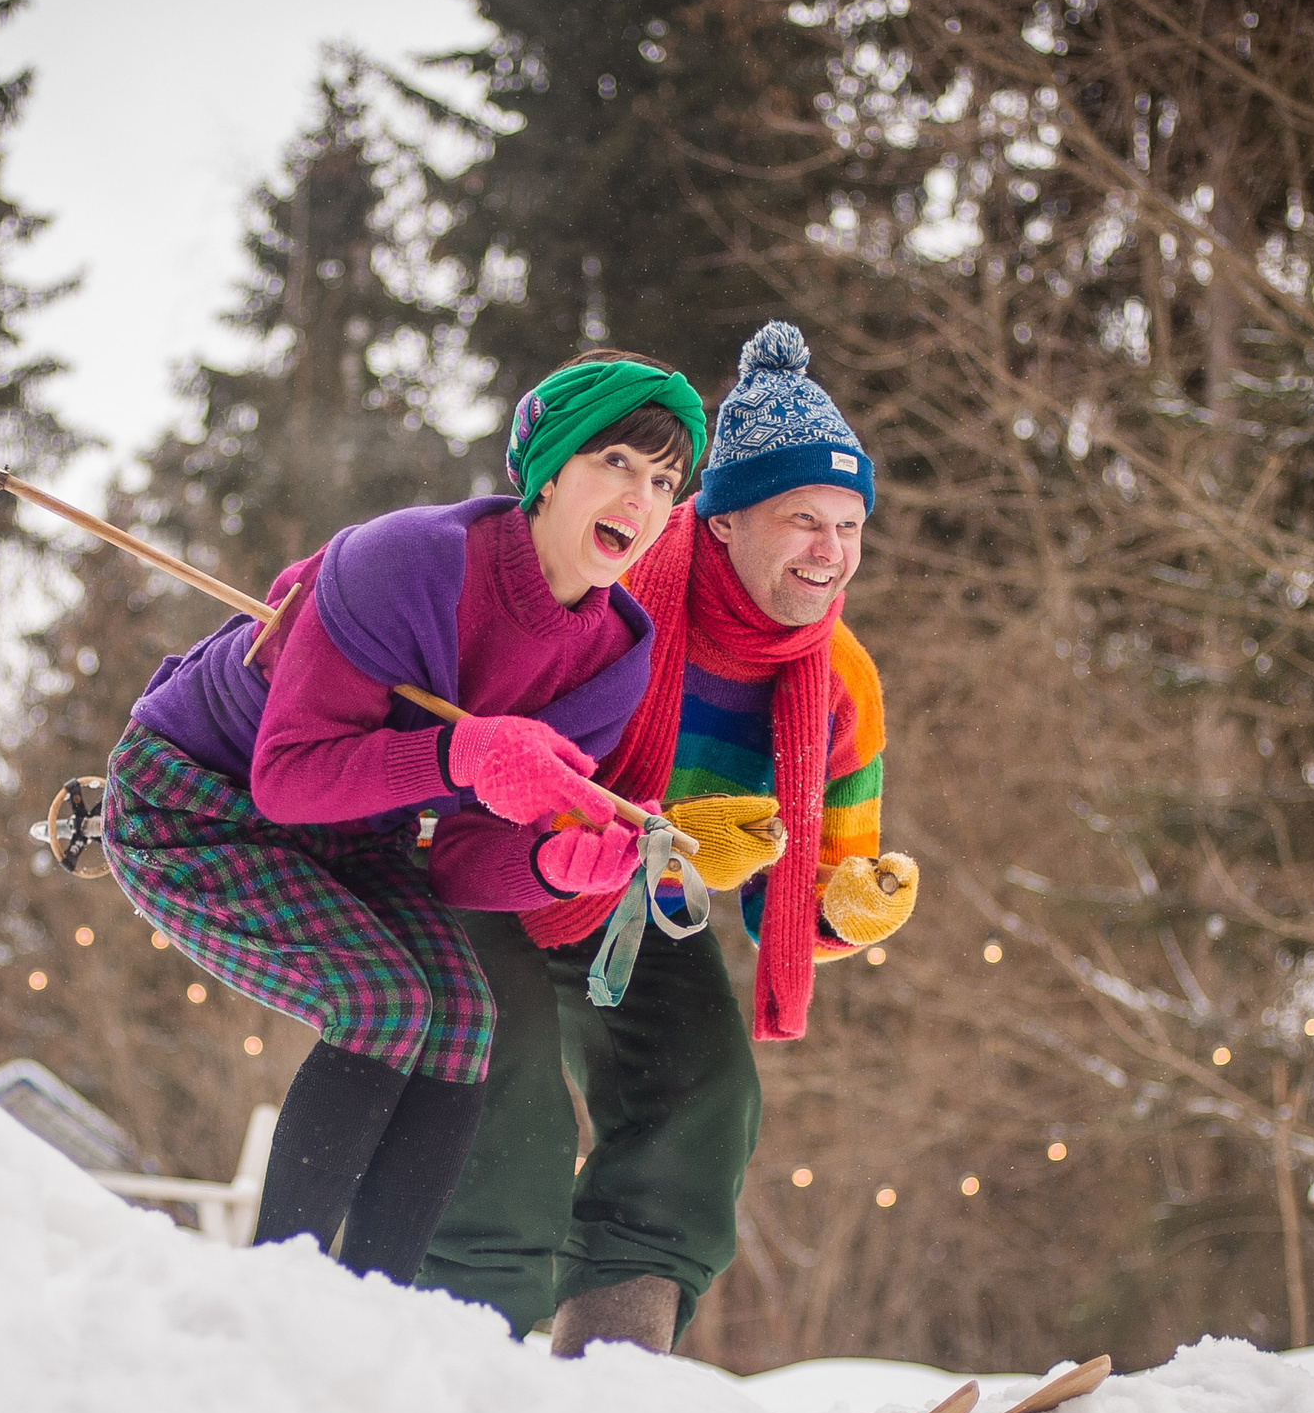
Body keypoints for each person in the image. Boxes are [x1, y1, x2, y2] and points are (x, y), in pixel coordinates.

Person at [102, 353, 706, 1283]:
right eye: (616, 461)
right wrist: (461, 755)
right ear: (549, 469)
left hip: (356, 837)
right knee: (379, 1001)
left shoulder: (614, 655)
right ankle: (277, 1289)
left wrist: (552, 867)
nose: (642, 497)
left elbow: (461, 864)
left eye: (665, 481)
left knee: (463, 1018)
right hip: (195, 803)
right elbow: (287, 779)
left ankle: (378, 1307)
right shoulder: (409, 562)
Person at [419, 321, 920, 1350]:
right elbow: (495, 753)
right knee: (514, 1112)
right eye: (801, 519)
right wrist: (665, 832)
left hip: (640, 906)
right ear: (724, 520)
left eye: (849, 524)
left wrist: (849, 907)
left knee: (704, 1096)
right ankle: (457, 1361)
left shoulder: (843, 686)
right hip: (493, 867)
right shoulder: (606, 590)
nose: (830, 552)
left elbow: (810, 890)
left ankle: (612, 1362)